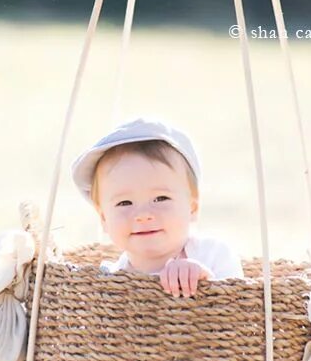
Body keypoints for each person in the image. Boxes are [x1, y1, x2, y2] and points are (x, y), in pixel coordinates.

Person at [71, 118, 243, 297]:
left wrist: (204, 279)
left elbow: (237, 305)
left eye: (161, 198)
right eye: (124, 203)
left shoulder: (213, 254)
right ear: (104, 219)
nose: (143, 215)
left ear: (192, 208)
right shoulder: (110, 282)